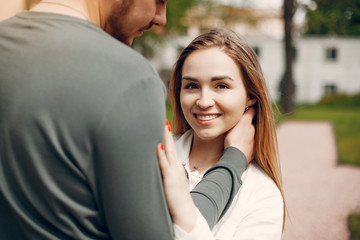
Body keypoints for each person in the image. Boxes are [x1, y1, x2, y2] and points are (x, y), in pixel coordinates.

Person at [0, 1, 256, 239]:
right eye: (159, 0)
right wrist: (232, 162)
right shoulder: (128, 78)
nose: (161, 18)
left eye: (221, 85)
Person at [157, 29, 285, 239]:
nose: (204, 101)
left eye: (221, 86)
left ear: (251, 97)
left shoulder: (262, 194)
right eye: (191, 86)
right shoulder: (152, 155)